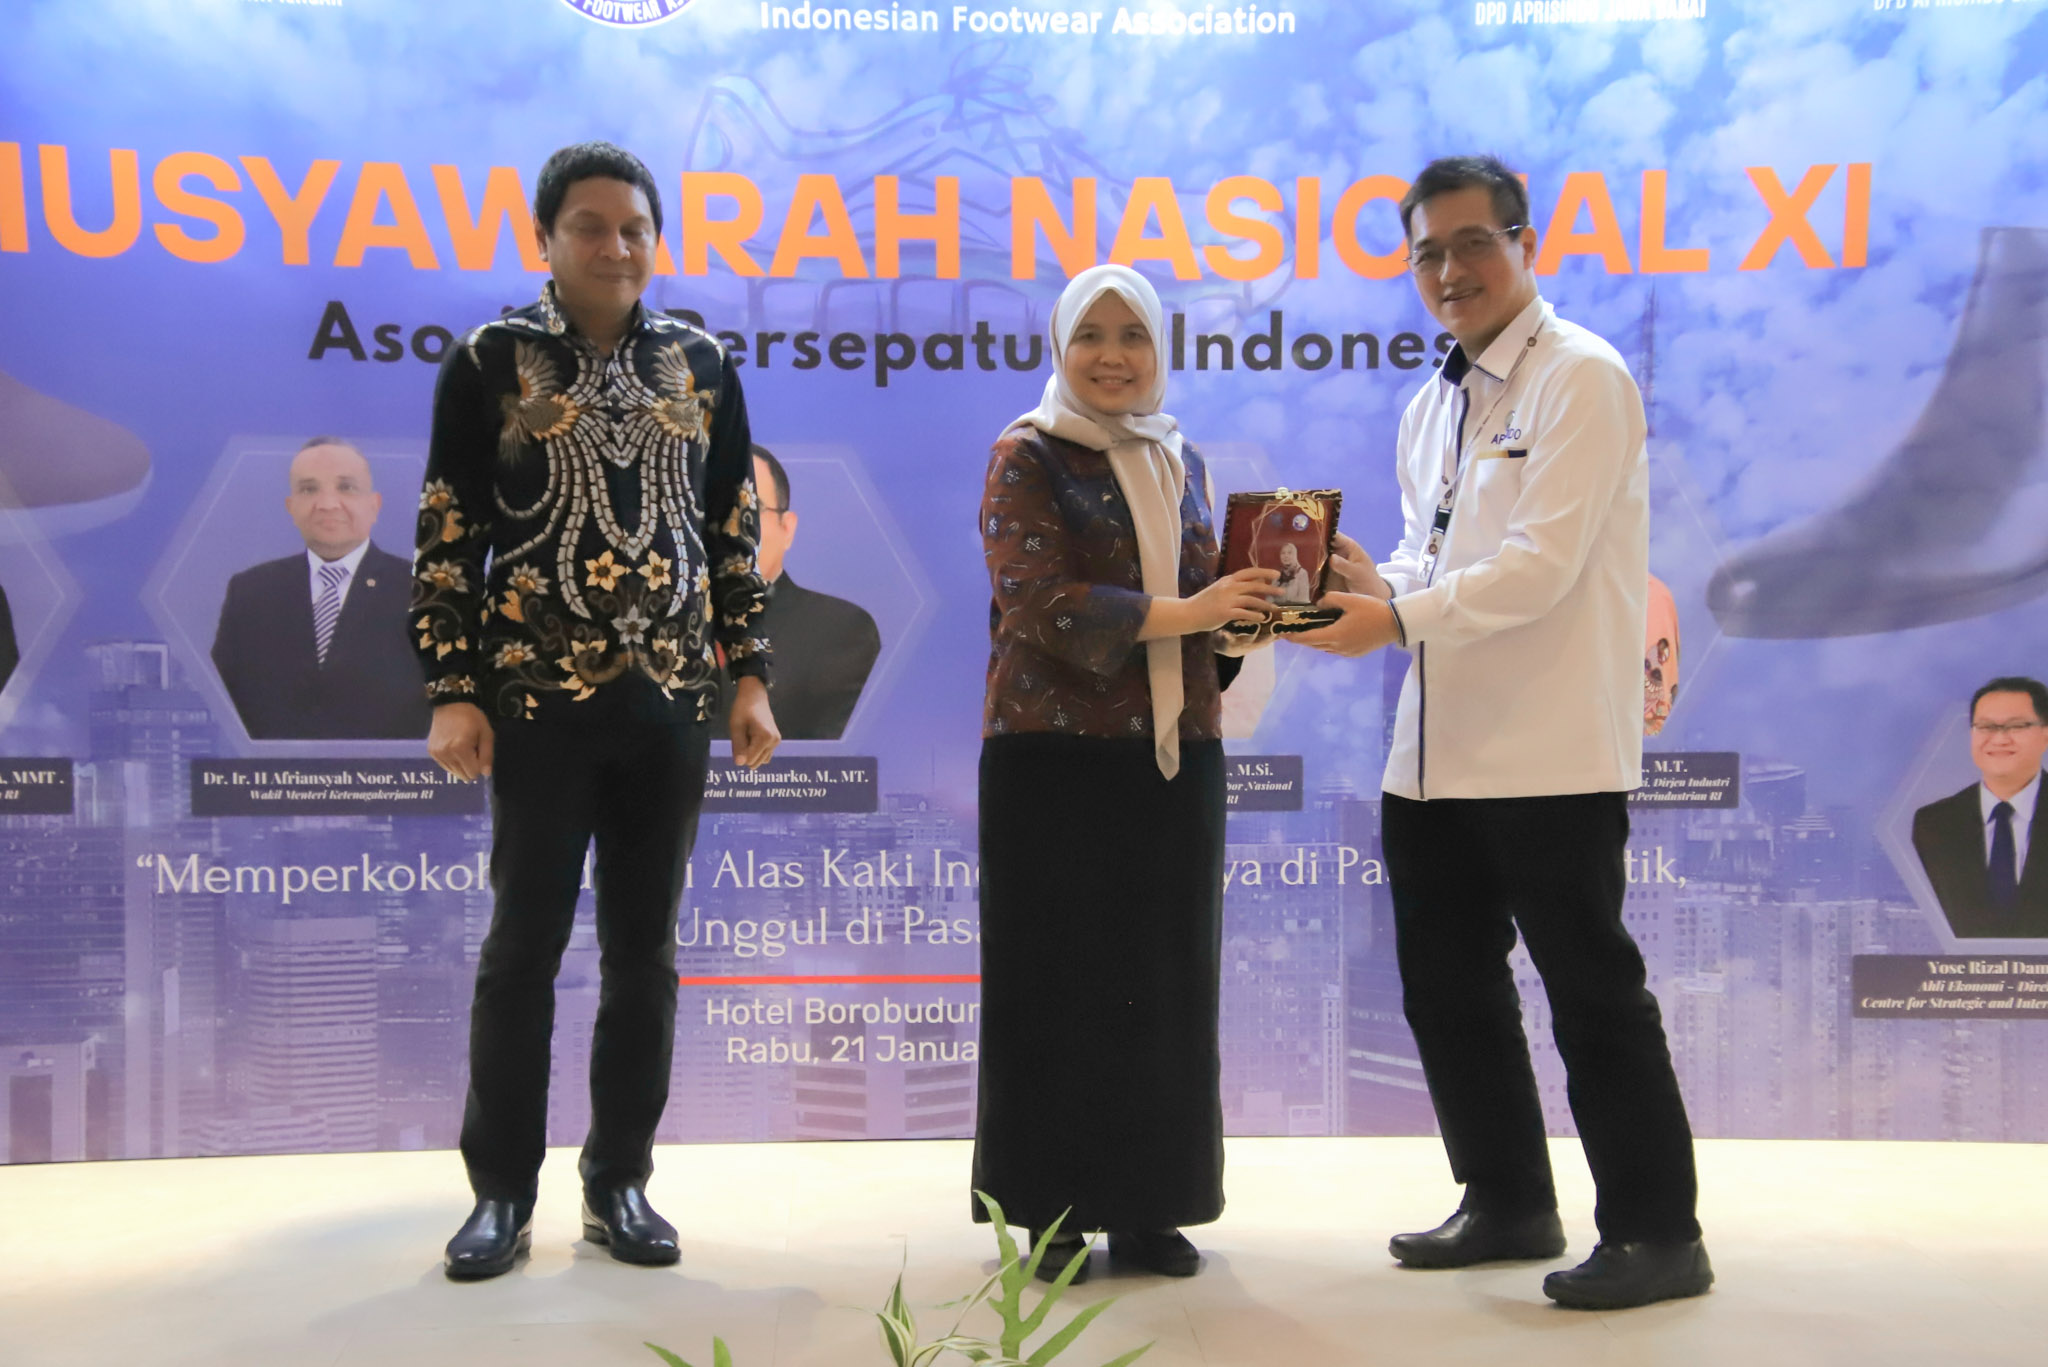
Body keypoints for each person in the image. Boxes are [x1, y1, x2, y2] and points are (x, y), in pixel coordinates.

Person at [1290, 156, 1710, 1311]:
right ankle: (1507, 1198)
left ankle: (1657, 1230)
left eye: (1472, 242)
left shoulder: (1582, 377)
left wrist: (1393, 617)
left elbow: (1539, 565)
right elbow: (1434, 556)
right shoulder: (1430, 401)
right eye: (1426, 252)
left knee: (1589, 990)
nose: (1449, 270)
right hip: (1431, 754)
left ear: (1525, 245)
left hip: (1548, 749)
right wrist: (1372, 584)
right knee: (1446, 987)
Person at [412, 141, 780, 1281]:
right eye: (589, 225)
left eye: (633, 228)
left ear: (654, 240)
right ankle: (500, 1191)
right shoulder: (491, 358)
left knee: (645, 952)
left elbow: (731, 531)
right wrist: (452, 688)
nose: (614, 246)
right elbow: (447, 531)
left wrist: (751, 674)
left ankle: (619, 1179)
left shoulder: (701, 363)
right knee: (521, 946)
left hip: (668, 702)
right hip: (534, 697)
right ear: (545, 238)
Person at [973, 263, 1280, 1283]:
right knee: (1054, 984)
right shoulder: (1024, 452)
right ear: (1060, 348)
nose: (1113, 356)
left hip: (1173, 752)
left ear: (1159, 348)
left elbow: (1201, 606)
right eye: (1091, 335)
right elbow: (1037, 600)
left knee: (1165, 983)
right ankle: (1053, 1211)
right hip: (1051, 758)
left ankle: (1152, 1206)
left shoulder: (1179, 458)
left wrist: (1245, 616)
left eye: (1133, 335)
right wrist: (1192, 613)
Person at [208, 438, 427, 740]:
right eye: (309, 489)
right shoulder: (250, 592)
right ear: (291, 507)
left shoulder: (423, 591)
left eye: (346, 487)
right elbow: (224, 698)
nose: (327, 504)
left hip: (393, 770)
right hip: (274, 769)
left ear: (374, 505)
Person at [709, 444, 880, 740]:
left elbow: (824, 756)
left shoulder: (840, 631)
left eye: (748, 510)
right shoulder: (649, 632)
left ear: (786, 528)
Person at [1911, 676, 2048, 938]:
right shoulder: (1933, 824)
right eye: (1985, 727)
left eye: (2016, 726)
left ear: (2045, 733)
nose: (1999, 739)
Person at [1273, 539, 1315, 604]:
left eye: (1289, 553)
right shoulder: (1277, 574)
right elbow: (1270, 597)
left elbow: (1303, 599)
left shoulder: (1302, 573)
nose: (1286, 556)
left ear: (1295, 555)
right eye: (1283, 553)